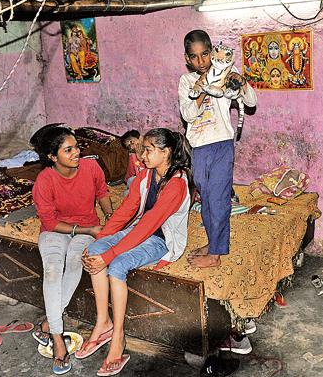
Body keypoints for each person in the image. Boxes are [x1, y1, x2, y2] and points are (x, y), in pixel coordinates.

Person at [77, 128, 192, 376]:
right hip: (141, 230)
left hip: (161, 240)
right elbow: (126, 210)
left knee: (117, 265)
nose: (142, 157)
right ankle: (103, 323)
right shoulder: (147, 176)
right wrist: (103, 238)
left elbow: (150, 225)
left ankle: (118, 337)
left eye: (148, 151)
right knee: (95, 248)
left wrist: (109, 255)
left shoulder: (177, 184)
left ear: (166, 152)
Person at [31, 125, 113, 375]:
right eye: (69, 150)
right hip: (55, 230)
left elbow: (102, 193)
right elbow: (50, 222)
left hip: (87, 227)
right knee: (53, 271)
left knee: (76, 262)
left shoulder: (91, 167)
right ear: (53, 157)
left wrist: (109, 217)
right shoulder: (44, 181)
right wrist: (86, 231)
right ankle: (58, 338)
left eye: (76, 147)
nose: (76, 153)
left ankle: (48, 322)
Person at [178, 29, 257, 268]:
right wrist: (202, 88)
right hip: (199, 147)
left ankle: (216, 255)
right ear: (187, 59)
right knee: (206, 197)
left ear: (213, 53)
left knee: (219, 198)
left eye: (205, 54)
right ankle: (213, 242)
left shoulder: (225, 74)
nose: (201, 62)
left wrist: (240, 81)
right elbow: (188, 114)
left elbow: (251, 102)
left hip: (222, 145)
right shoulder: (187, 81)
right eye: (194, 57)